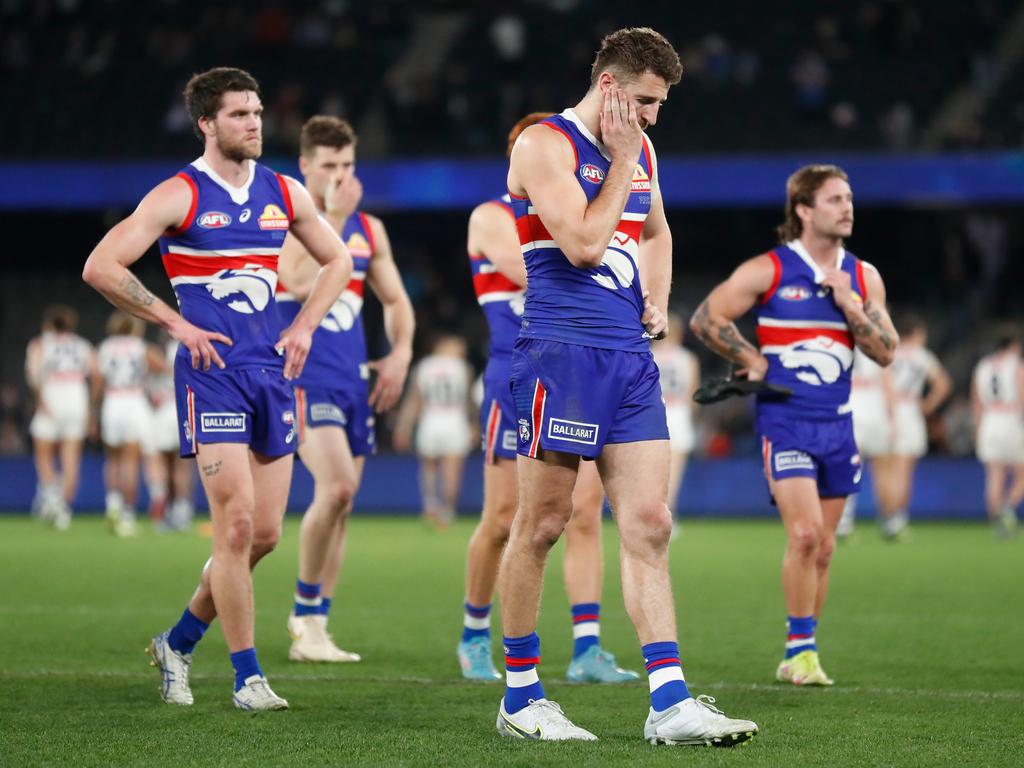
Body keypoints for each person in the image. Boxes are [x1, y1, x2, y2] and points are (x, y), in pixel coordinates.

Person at [497, 27, 757, 745]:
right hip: (562, 354)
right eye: (646, 100)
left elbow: (656, 230)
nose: (652, 117)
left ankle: (669, 702)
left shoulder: (641, 150)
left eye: (660, 104)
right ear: (611, 86)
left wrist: (657, 298)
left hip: (627, 357)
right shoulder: (544, 145)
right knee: (543, 526)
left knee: (650, 522)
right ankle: (520, 697)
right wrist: (618, 160)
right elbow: (581, 244)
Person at [82, 67, 351, 711]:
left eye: (257, 112)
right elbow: (101, 266)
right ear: (206, 123)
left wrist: (307, 325)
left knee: (263, 537)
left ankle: (177, 641)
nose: (254, 122)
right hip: (211, 379)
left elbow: (338, 260)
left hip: (273, 375)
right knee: (232, 528)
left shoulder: (283, 192)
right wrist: (175, 322)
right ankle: (246, 676)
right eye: (238, 114)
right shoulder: (178, 194)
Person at [690, 164, 898, 688]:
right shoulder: (770, 269)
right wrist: (752, 359)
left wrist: (849, 303)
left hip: (838, 425)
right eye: (834, 200)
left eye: (849, 198)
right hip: (784, 421)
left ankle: (800, 650)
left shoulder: (863, 275)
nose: (847, 207)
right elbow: (706, 319)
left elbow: (886, 351)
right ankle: (801, 651)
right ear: (803, 210)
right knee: (804, 536)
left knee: (825, 547)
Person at [458, 112, 638, 685]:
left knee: (585, 513)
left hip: (570, 375)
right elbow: (541, 269)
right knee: (503, 518)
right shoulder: (490, 216)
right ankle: (473, 633)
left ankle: (587, 648)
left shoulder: (582, 214)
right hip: (513, 376)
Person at [277, 115, 415, 662]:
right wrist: (331, 215)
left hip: (351, 373)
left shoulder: (370, 229)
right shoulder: (287, 216)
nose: (340, 175)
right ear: (306, 166)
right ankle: (304, 614)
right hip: (301, 373)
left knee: (343, 502)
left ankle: (317, 624)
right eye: (329, 166)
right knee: (334, 488)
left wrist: (401, 352)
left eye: (348, 165)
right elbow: (290, 278)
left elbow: (397, 301)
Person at [876, 316, 951, 539]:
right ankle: (898, 520)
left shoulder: (888, 350)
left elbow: (880, 381)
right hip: (909, 409)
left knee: (883, 469)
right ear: (917, 333)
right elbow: (944, 384)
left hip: (884, 409)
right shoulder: (922, 356)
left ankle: (886, 518)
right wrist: (927, 406)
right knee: (904, 470)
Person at [25, 305, 99, 531]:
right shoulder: (82, 345)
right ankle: (64, 509)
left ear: (48, 324)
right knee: (71, 459)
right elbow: (97, 375)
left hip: (52, 396)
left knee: (44, 454)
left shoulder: (39, 344)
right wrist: (90, 407)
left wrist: (40, 399)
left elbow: (33, 373)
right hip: (76, 398)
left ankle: (51, 499)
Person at [97, 310, 167, 537]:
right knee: (130, 460)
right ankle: (127, 514)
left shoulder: (105, 347)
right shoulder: (141, 347)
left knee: (113, 458)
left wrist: (93, 411)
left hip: (112, 401)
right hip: (134, 400)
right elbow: (164, 367)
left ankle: (113, 506)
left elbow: (98, 381)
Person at [393, 335, 474, 528]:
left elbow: (414, 400)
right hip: (455, 420)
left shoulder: (424, 366)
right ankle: (447, 511)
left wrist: (403, 427)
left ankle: (430, 504)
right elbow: (469, 401)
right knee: (452, 470)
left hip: (431, 419)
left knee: (428, 466)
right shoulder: (463, 368)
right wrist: (474, 424)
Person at [837, 347, 895, 538]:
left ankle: (843, 522)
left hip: (849, 408)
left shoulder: (841, 344)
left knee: (848, 469)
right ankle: (889, 521)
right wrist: (892, 419)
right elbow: (887, 385)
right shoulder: (875, 344)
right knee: (883, 471)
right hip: (875, 412)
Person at [971, 330, 1023, 538]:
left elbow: (976, 401)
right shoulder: (1017, 365)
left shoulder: (983, 366)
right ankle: (1008, 508)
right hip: (1011, 419)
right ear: (1013, 346)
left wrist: (977, 428)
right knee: (1021, 472)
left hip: (989, 420)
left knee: (994, 474)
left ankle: (997, 523)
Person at [142, 332, 196, 530]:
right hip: (185, 408)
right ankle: (182, 510)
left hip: (164, 410)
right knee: (183, 466)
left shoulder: (157, 351)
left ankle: (163, 507)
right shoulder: (191, 349)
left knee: (162, 463)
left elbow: (146, 381)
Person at [651, 311, 699, 535]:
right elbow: (691, 395)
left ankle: (652, 516)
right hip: (678, 413)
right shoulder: (687, 358)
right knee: (674, 474)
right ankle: (668, 518)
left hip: (654, 412)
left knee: (652, 472)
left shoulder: (648, 354)